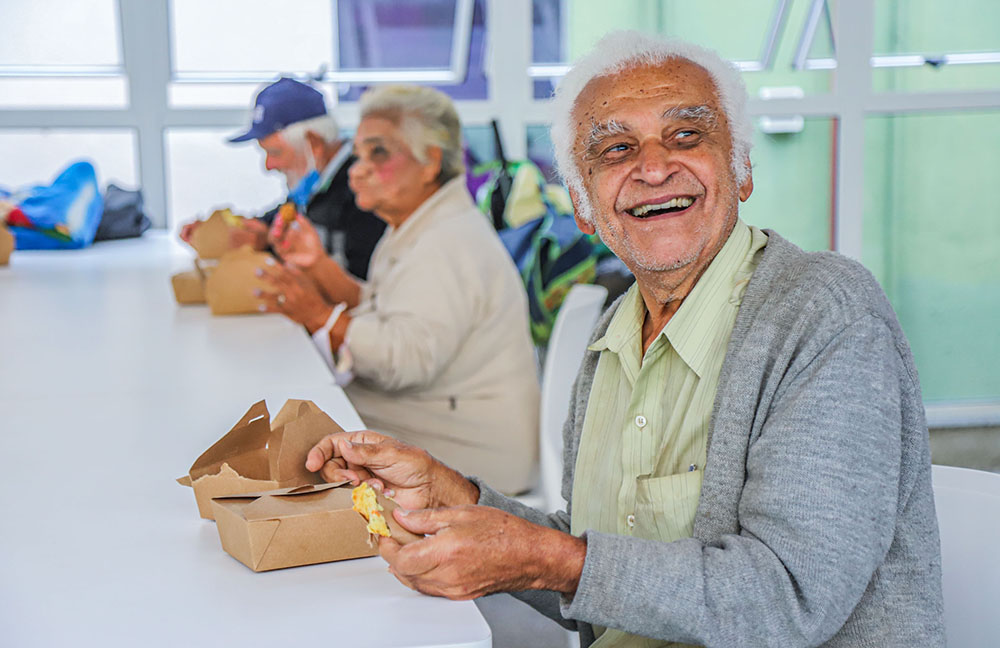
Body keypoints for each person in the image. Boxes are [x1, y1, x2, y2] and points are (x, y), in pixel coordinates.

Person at [303, 32, 946, 648]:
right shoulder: (618, 329)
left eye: (686, 135)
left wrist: (549, 558)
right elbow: (599, 561)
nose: (655, 166)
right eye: (615, 150)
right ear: (583, 205)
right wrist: (455, 494)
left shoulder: (825, 313)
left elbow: (789, 597)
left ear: (743, 170)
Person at [260, 85, 540, 495]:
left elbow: (404, 360)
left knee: (296, 432)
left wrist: (318, 316)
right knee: (296, 412)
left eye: (379, 153)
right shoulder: (422, 223)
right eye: (358, 153)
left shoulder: (445, 243)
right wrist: (318, 266)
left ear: (430, 163)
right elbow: (383, 305)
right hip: (441, 417)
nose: (357, 169)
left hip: (476, 452)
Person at [180, 77, 386, 279]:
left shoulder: (366, 192)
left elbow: (358, 282)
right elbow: (287, 215)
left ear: (313, 143)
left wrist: (270, 245)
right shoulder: (316, 186)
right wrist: (243, 232)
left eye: (275, 152)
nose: (268, 166)